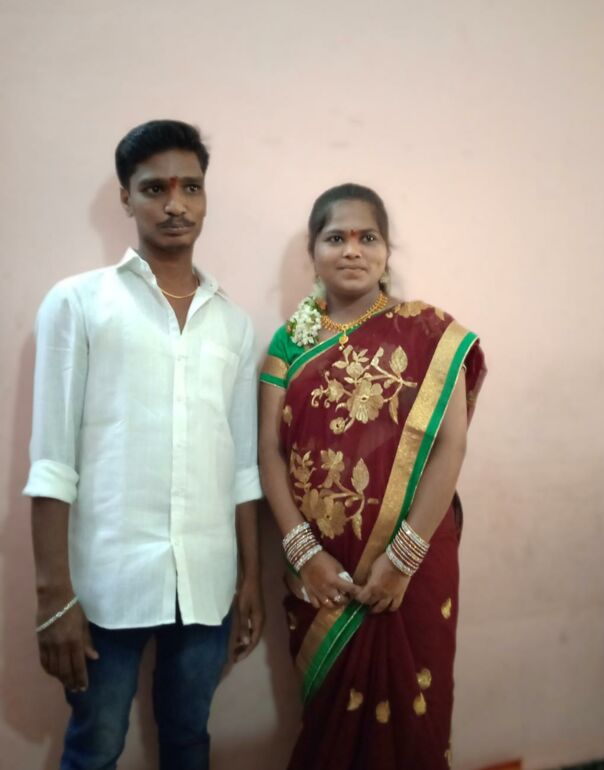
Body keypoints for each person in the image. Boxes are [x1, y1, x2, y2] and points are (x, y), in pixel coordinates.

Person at [24, 119, 264, 770]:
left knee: (189, 740)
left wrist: (250, 578)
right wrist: (53, 598)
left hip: (207, 579)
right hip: (106, 584)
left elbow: (242, 466)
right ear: (126, 199)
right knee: (95, 748)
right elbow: (52, 463)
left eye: (191, 187)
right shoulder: (78, 303)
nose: (175, 204)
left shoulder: (233, 324)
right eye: (155, 188)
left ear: (206, 197)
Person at [259, 183, 486, 770]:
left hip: (415, 561)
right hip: (322, 570)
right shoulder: (288, 346)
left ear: (387, 252)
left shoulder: (430, 335)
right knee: (332, 727)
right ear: (314, 252)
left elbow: (451, 445)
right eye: (336, 238)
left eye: (368, 237)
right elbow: (269, 454)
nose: (352, 250)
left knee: (414, 720)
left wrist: (402, 558)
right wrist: (304, 552)